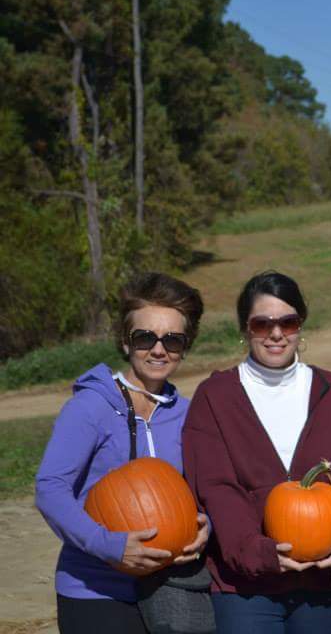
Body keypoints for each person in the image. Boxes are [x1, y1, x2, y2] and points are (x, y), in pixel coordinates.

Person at [182, 271, 331, 634]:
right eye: (262, 324)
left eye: (288, 322)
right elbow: (216, 488)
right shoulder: (215, 397)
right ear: (245, 328)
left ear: (301, 325)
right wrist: (259, 553)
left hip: (323, 584)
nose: (276, 333)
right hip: (244, 589)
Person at [36, 272, 209, 634]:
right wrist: (111, 546)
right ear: (125, 342)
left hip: (171, 589)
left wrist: (206, 525)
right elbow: (50, 488)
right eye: (145, 337)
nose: (158, 350)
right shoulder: (90, 407)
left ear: (185, 346)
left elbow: (203, 489)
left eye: (172, 340)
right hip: (97, 590)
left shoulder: (188, 414)